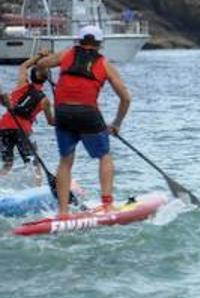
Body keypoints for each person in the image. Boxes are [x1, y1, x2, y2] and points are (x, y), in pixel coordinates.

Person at [34, 26, 132, 215]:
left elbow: (41, 65)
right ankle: (107, 204)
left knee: (65, 161)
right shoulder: (104, 64)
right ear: (100, 44)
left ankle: (62, 212)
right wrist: (116, 124)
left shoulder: (66, 54)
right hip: (87, 114)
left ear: (79, 41)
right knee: (104, 156)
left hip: (62, 113)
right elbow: (126, 98)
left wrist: (42, 65)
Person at [0, 55, 55, 178]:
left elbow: (24, 66)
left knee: (7, 164)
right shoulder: (45, 100)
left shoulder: (21, 85)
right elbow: (51, 122)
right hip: (23, 130)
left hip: (3, 127)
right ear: (45, 79)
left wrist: (39, 56)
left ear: (31, 76)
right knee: (34, 164)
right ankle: (37, 188)